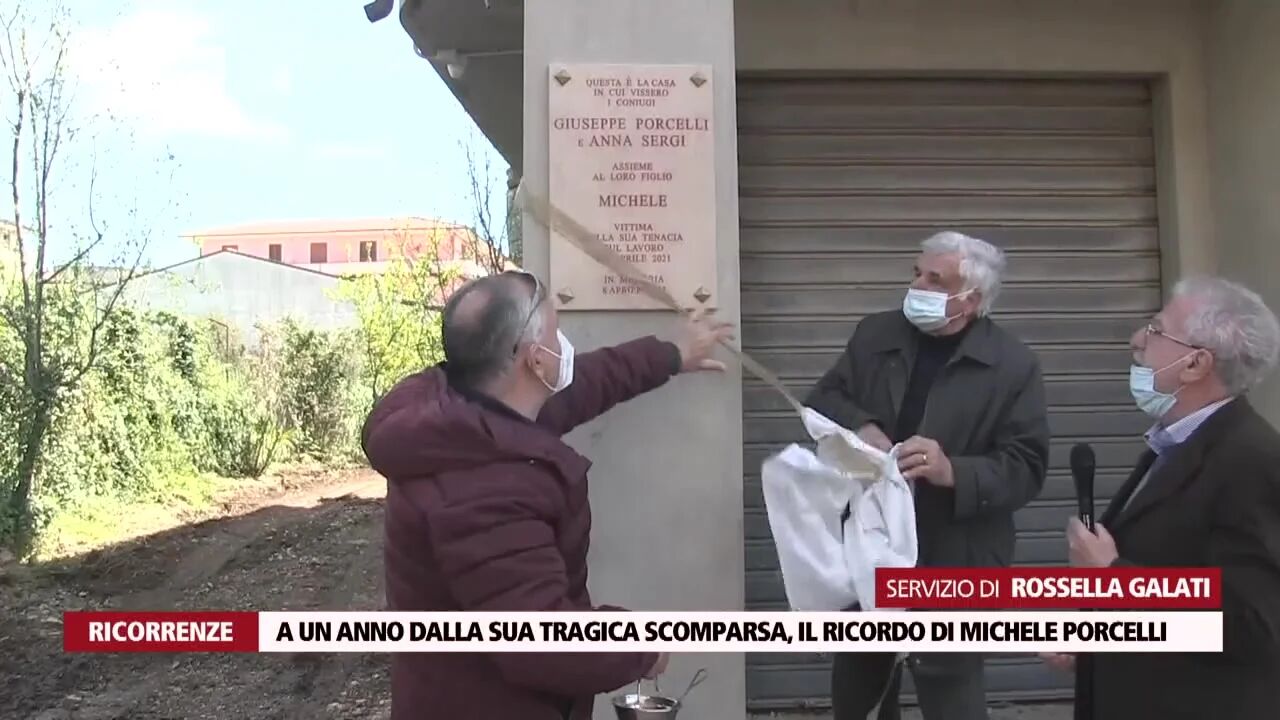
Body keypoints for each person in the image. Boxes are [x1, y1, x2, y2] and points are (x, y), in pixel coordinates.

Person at [361, 270, 734, 720]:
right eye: (558, 332)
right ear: (536, 361)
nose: (566, 345)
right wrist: (639, 646)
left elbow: (584, 386)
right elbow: (541, 640)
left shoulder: (463, 417)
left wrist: (670, 354)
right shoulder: (483, 491)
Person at [806, 231, 1050, 720]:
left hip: (957, 559)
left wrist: (951, 470)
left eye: (933, 279)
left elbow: (1026, 468)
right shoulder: (876, 336)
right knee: (859, 691)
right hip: (872, 547)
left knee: (953, 696)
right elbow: (825, 398)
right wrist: (861, 427)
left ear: (971, 298)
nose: (917, 284)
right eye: (916, 272)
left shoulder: (1013, 365)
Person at [1046, 276, 1280, 720]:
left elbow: (1252, 625)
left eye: (1155, 331)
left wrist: (1114, 579)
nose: (1137, 341)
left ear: (1196, 365)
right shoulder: (1178, 446)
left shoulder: (1252, 463)